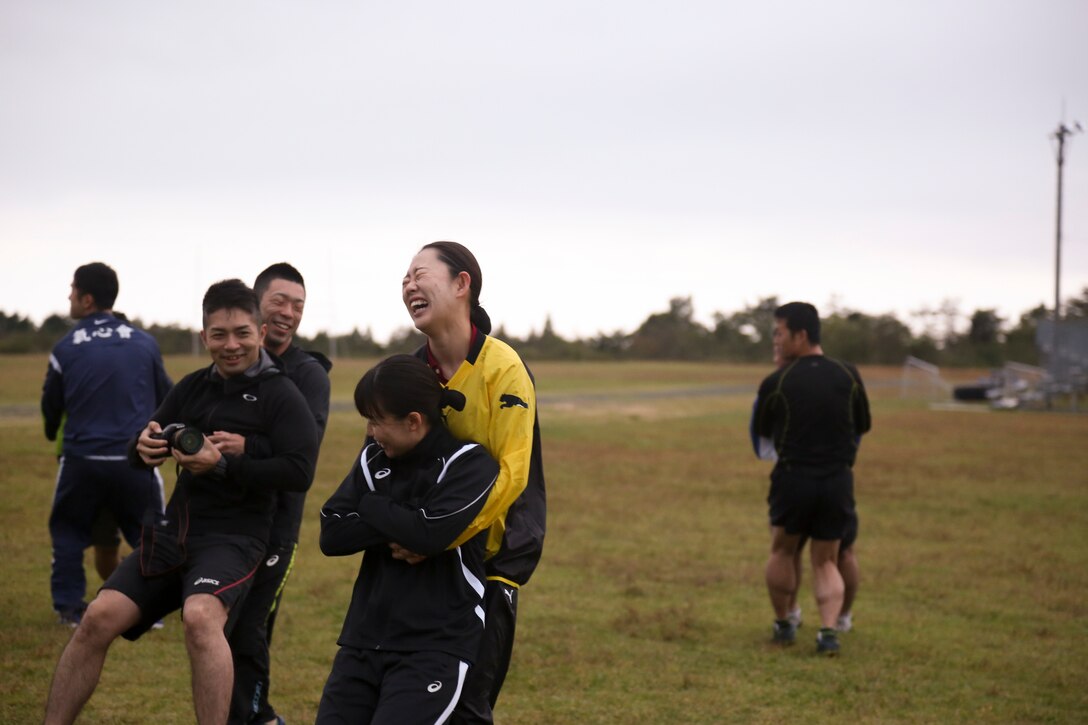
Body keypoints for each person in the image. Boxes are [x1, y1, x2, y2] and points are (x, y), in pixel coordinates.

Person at [43, 279, 319, 725]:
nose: (231, 345)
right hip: (174, 535)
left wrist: (225, 464)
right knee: (97, 617)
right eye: (219, 334)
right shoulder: (192, 387)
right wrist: (144, 448)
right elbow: (146, 443)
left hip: (234, 539)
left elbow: (299, 472)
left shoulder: (281, 394)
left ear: (261, 333)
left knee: (200, 617)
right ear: (204, 334)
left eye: (242, 333)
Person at [401, 241, 546, 724]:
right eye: (404, 278)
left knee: (465, 710)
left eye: (421, 273)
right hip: (423, 560)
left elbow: (513, 475)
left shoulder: (503, 368)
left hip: (490, 564)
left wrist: (441, 534)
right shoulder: (408, 373)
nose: (409, 285)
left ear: (462, 284)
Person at [316, 354, 499, 724]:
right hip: (364, 637)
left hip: (436, 642)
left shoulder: (470, 464)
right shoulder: (373, 458)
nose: (369, 433)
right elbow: (332, 534)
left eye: (375, 421)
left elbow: (429, 535)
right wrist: (406, 519)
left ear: (413, 422)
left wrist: (369, 504)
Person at [225, 263, 333, 725]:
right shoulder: (231, 364)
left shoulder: (309, 376)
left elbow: (299, 457)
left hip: (276, 529)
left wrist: (243, 446)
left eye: (298, 306)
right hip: (225, 523)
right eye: (279, 301)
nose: (288, 313)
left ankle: (260, 716)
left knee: (250, 628)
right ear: (256, 303)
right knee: (219, 627)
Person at [41, 262, 171, 626]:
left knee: (68, 532)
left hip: (82, 459)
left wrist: (53, 430)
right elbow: (167, 396)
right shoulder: (144, 343)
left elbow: (51, 403)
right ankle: (153, 609)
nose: (68, 295)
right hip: (135, 459)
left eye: (72, 289)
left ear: (86, 299)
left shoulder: (65, 347)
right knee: (150, 535)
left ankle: (68, 608)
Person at [751, 301, 871, 656]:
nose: (775, 339)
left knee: (783, 551)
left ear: (800, 335)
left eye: (779, 333)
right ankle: (829, 630)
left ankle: (785, 624)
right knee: (826, 560)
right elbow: (861, 427)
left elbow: (762, 440)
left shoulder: (777, 381)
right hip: (837, 480)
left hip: (793, 480)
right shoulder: (848, 374)